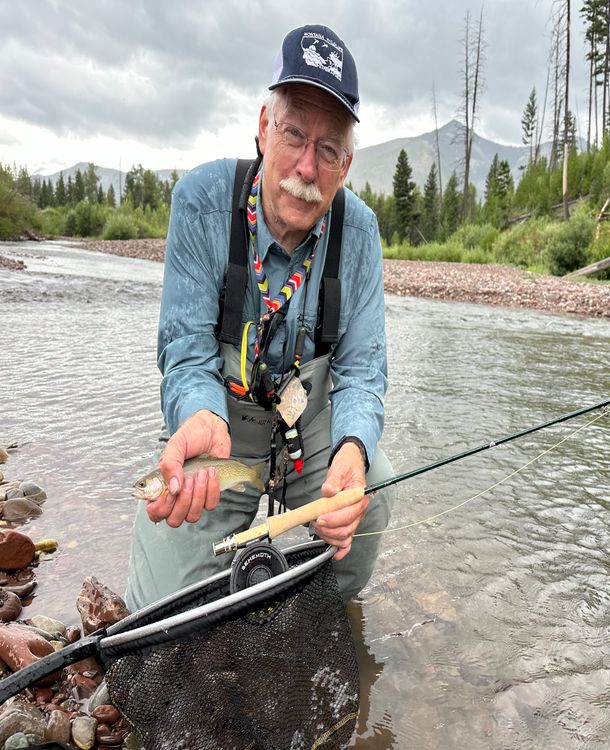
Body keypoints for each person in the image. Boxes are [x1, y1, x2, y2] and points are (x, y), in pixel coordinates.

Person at [125, 23, 394, 610]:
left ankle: (309, 616)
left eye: (328, 150)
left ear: (345, 166)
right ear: (264, 127)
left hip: (310, 429)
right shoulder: (200, 200)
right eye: (294, 132)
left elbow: (363, 371)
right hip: (219, 433)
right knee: (159, 610)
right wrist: (196, 413)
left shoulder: (361, 233)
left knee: (375, 490)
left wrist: (353, 449)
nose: (306, 164)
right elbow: (188, 350)